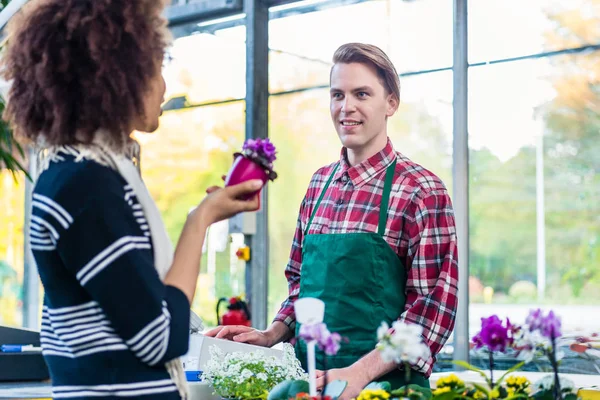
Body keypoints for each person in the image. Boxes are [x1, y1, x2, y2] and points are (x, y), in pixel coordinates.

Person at [1, 0, 263, 399]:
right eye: (156, 67)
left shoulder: (80, 174)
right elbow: (159, 338)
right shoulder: (85, 186)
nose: (163, 85)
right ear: (114, 74)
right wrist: (200, 219)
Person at [206, 43, 459, 398]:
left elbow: (432, 311)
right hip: (311, 385)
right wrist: (271, 333)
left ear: (390, 103)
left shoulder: (421, 190)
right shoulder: (319, 185)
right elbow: (301, 285)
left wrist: (358, 375)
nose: (346, 107)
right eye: (337, 94)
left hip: (387, 388)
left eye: (362, 94)